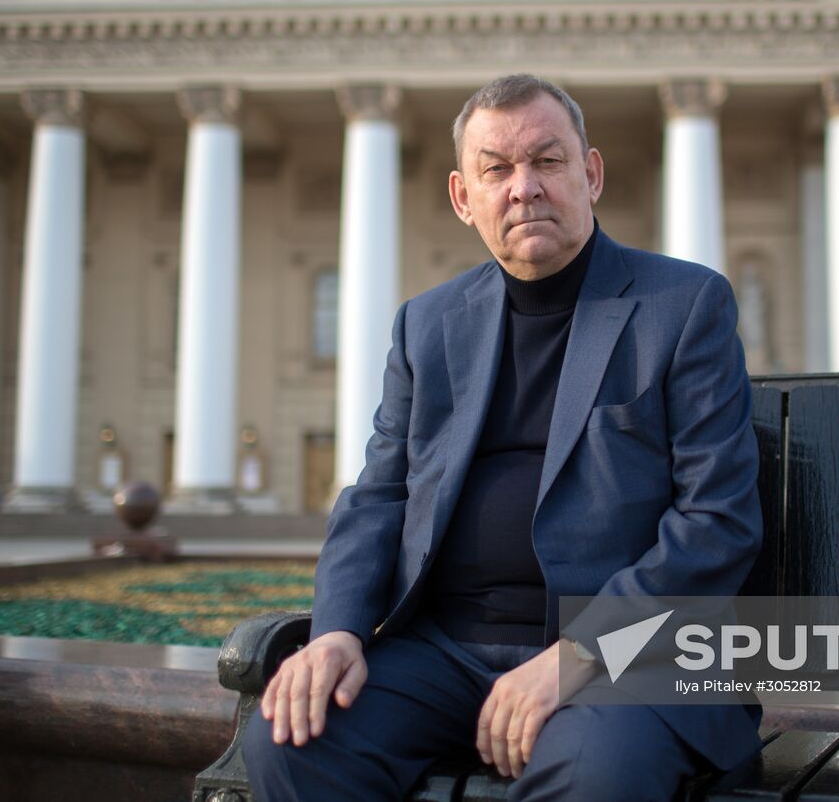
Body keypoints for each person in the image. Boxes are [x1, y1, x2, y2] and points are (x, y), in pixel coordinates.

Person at [243, 74, 763, 801]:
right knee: (290, 741)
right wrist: (338, 631)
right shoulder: (426, 326)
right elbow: (379, 496)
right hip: (446, 651)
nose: (524, 187)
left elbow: (716, 523)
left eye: (548, 161)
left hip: (625, 654)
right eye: (497, 169)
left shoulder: (681, 306)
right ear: (464, 198)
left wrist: (575, 656)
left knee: (593, 777)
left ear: (591, 173)